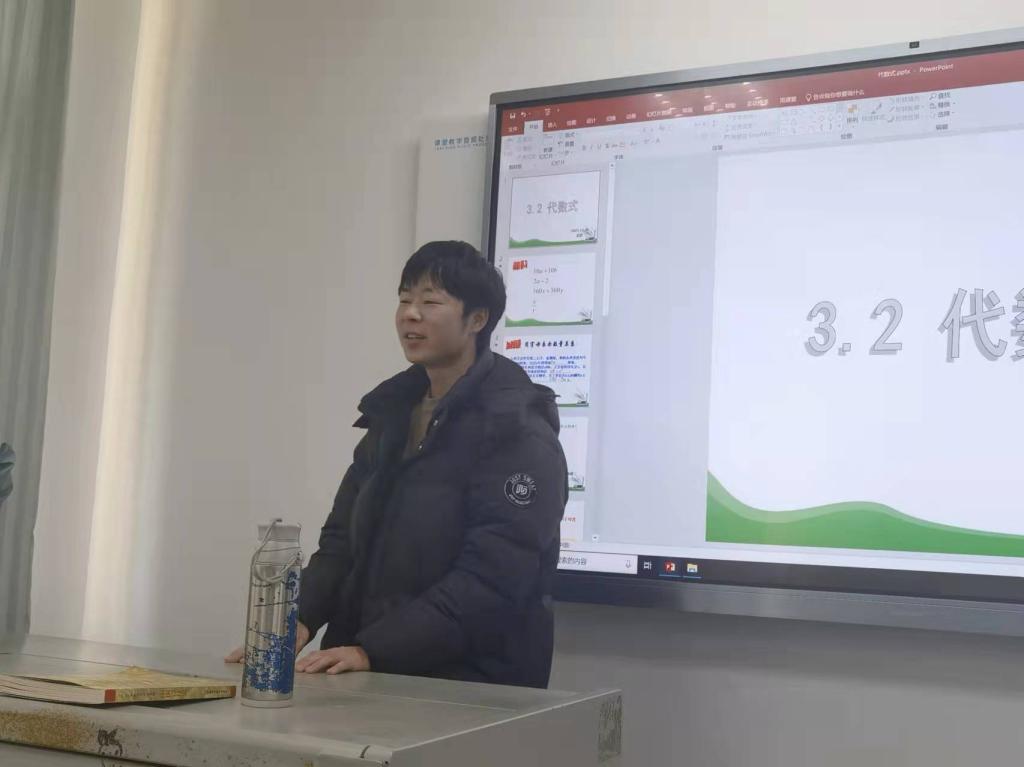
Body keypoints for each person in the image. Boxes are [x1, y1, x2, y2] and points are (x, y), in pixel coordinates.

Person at [228, 241, 567, 688]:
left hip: (469, 688)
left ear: (477, 320)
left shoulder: (516, 430)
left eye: (430, 302)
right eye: (404, 300)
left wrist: (375, 650)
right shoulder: (391, 415)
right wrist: (296, 622)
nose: (410, 314)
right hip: (374, 677)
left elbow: (494, 579)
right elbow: (340, 543)